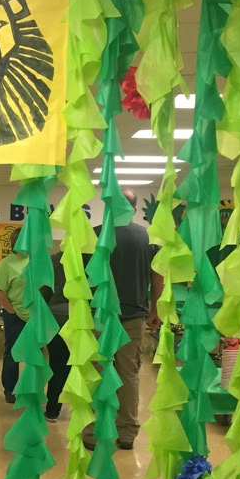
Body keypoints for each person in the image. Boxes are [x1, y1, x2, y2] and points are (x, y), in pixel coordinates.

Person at [88, 189, 162, 450]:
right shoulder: (148, 237)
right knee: (128, 375)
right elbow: (157, 276)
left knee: (96, 373)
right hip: (133, 317)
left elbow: (83, 278)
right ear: (134, 207)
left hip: (99, 318)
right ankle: (127, 432)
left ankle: (93, 431)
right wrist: (155, 310)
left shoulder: (95, 235)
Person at [0, 227, 28, 404]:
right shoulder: (6, 265)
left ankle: (30, 388)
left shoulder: (35, 261)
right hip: (15, 315)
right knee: (12, 353)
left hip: (35, 316)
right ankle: (10, 389)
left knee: (34, 354)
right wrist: (11, 310)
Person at [44, 249, 71, 422]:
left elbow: (44, 290)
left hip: (55, 318)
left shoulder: (53, 261)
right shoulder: (92, 259)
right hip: (82, 319)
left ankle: (52, 409)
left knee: (57, 364)